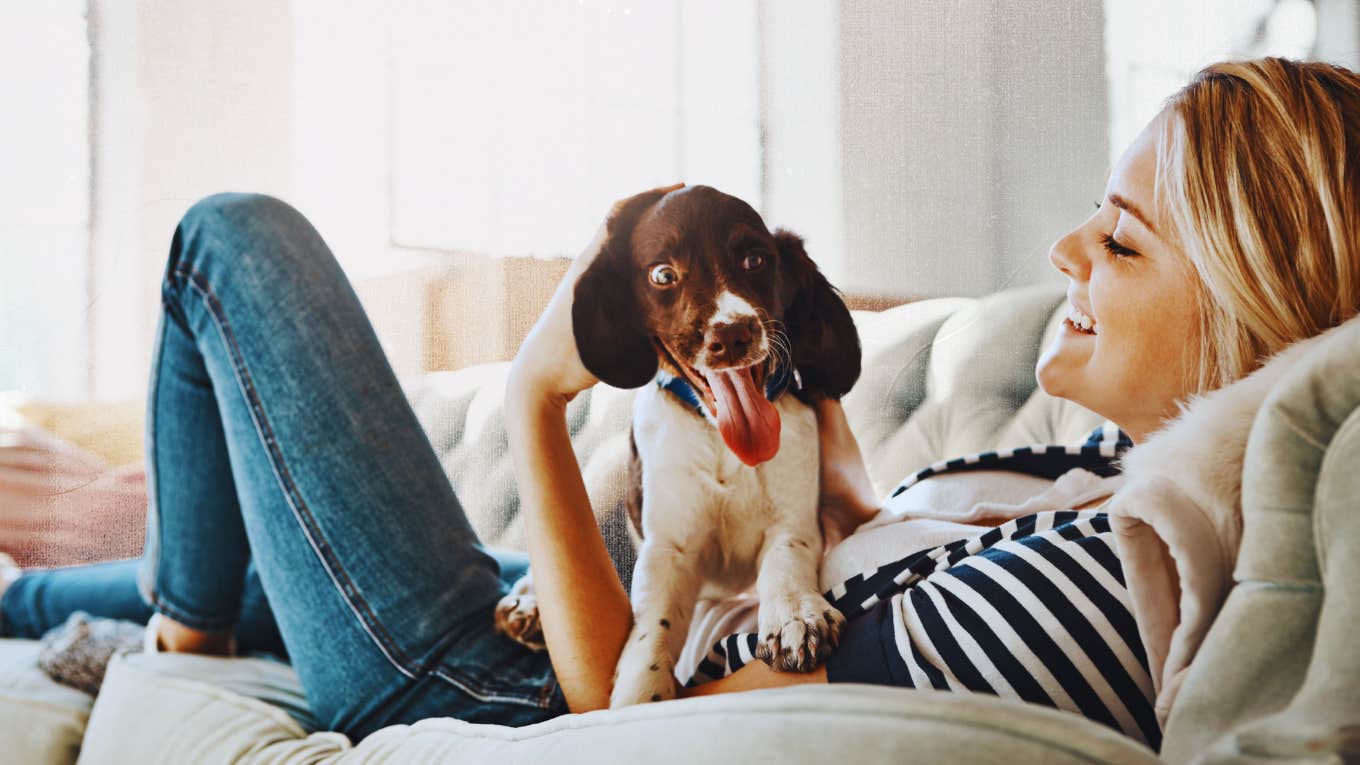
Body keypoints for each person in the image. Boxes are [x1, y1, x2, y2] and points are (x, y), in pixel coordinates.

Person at [1, 57, 1355, 749]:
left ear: (1257, 313)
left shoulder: (1118, 575)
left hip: (501, 683)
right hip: (545, 593)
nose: (1065, 253)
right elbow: (834, 545)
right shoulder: (1082, 479)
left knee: (228, 239)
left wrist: (538, 398)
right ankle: (49, 597)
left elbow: (644, 721)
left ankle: (173, 641)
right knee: (209, 552)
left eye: (1120, 243)